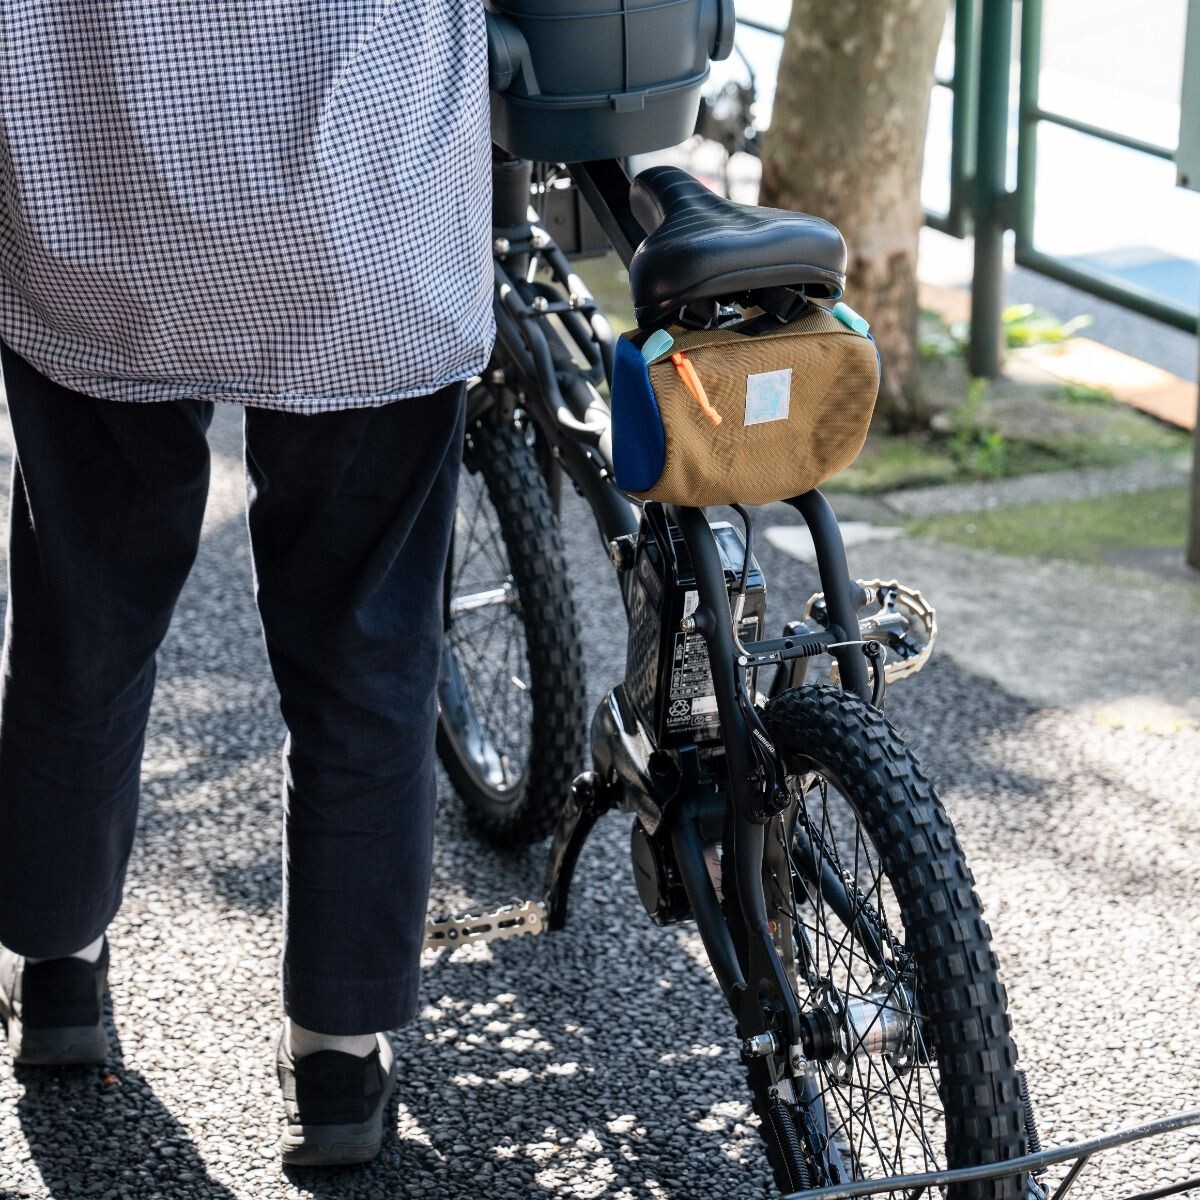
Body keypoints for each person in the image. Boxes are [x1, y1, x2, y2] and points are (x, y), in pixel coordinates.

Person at [0, 2, 492, 1167]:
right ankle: (339, 1050)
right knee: (366, 646)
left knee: (82, 613)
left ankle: (55, 964)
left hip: (95, 215)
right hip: (367, 235)